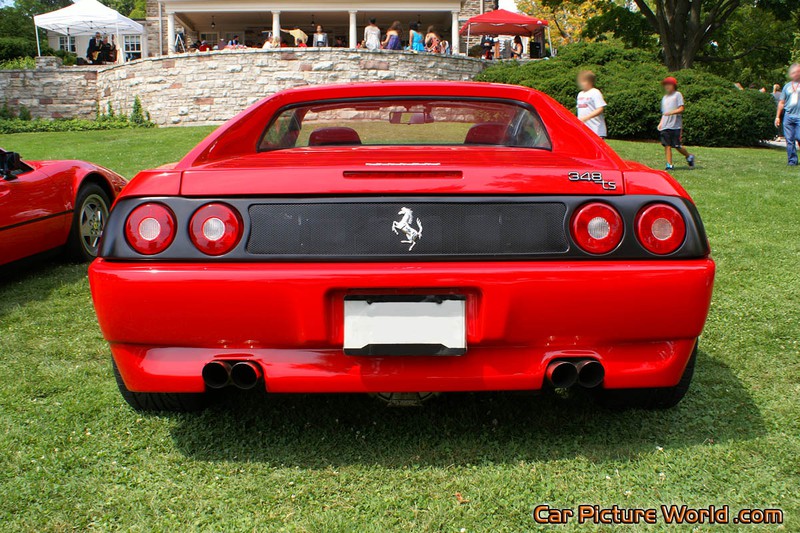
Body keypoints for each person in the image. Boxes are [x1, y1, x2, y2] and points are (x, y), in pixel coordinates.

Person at [658, 77, 695, 171]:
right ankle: (669, 165)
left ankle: (689, 156)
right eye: (665, 84)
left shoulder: (677, 95)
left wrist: (671, 112)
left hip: (675, 126)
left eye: (669, 84)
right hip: (665, 125)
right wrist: (661, 123)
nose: (667, 86)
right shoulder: (664, 98)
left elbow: (681, 108)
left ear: (674, 85)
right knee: (667, 145)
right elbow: (664, 112)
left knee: (677, 146)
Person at [775, 63, 800, 166]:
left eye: (798, 72)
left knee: (799, 137)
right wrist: (777, 117)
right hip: (788, 116)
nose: (796, 74)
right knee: (789, 140)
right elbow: (781, 102)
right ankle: (792, 161)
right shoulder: (787, 87)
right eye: (794, 72)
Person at [576, 70, 607, 139]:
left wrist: (586, 118)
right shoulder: (580, 94)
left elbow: (600, 109)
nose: (581, 83)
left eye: (583, 81)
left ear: (590, 82)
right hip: (584, 130)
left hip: (596, 130)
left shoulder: (595, 92)